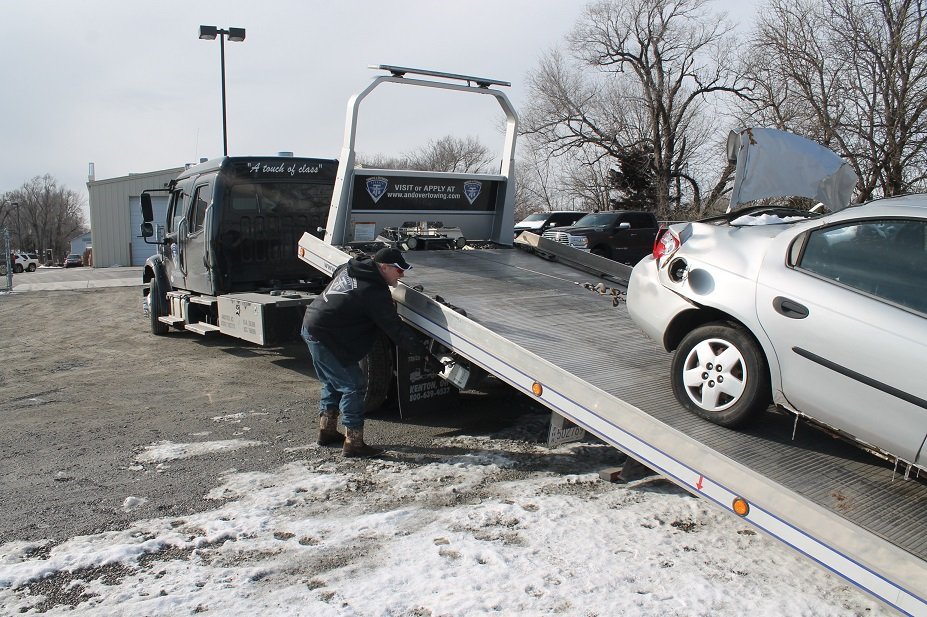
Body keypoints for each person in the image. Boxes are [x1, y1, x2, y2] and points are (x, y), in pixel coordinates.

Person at [301, 247, 426, 457]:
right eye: (399, 271)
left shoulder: (353, 268)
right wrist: (421, 351)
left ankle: (327, 431)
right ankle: (354, 443)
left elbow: (337, 271)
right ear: (384, 267)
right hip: (325, 336)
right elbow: (394, 328)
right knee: (353, 385)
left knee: (333, 381)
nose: (402, 275)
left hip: (314, 327)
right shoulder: (373, 292)